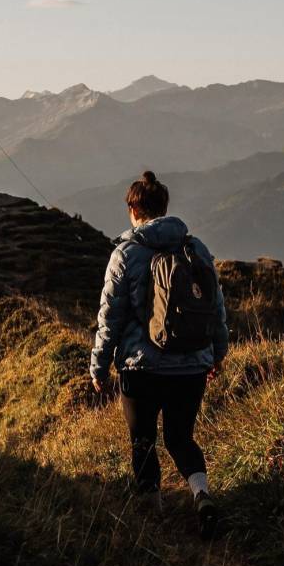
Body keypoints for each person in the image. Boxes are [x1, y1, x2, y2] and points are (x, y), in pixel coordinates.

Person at [90, 170, 228, 537]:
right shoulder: (195, 248)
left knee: (144, 441)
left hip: (142, 368)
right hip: (192, 367)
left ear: (135, 209)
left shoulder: (126, 254)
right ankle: (201, 494)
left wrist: (99, 366)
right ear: (164, 207)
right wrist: (216, 354)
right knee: (181, 438)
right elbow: (215, 307)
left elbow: (110, 317)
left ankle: (152, 516)